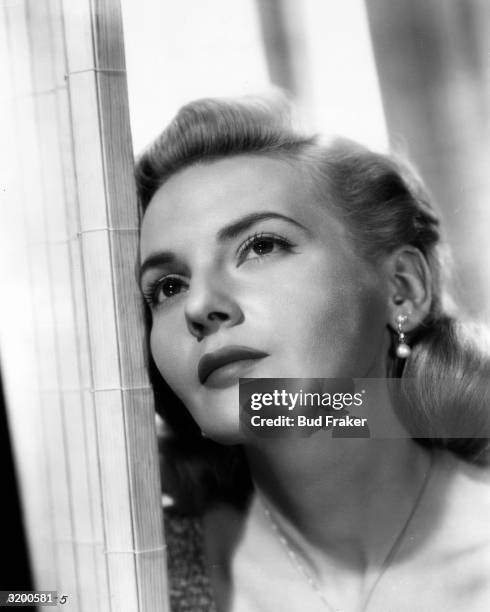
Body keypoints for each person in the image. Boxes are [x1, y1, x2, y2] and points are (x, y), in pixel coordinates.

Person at [136, 94, 490, 612]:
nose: (201, 305)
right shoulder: (139, 573)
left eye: (260, 246)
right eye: (168, 286)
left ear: (402, 289)